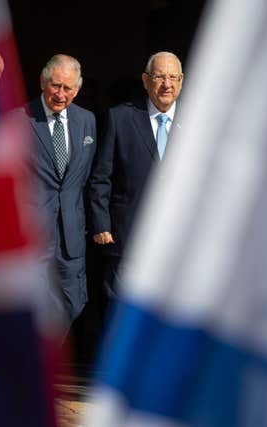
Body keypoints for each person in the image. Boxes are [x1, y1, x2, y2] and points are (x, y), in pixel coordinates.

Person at [88, 51, 184, 296]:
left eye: (173, 77)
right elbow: (101, 176)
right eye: (160, 77)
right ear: (145, 80)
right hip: (128, 236)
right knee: (122, 309)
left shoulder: (197, 120)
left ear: (181, 80)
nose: (167, 85)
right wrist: (101, 223)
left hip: (180, 239)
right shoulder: (120, 117)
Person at [25, 54, 97, 325]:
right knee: (35, 302)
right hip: (35, 228)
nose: (60, 94)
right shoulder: (20, 119)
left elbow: (86, 176)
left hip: (71, 228)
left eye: (68, 88)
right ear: (43, 82)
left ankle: (48, 347)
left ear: (77, 90)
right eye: (56, 85)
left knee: (74, 300)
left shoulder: (87, 121)